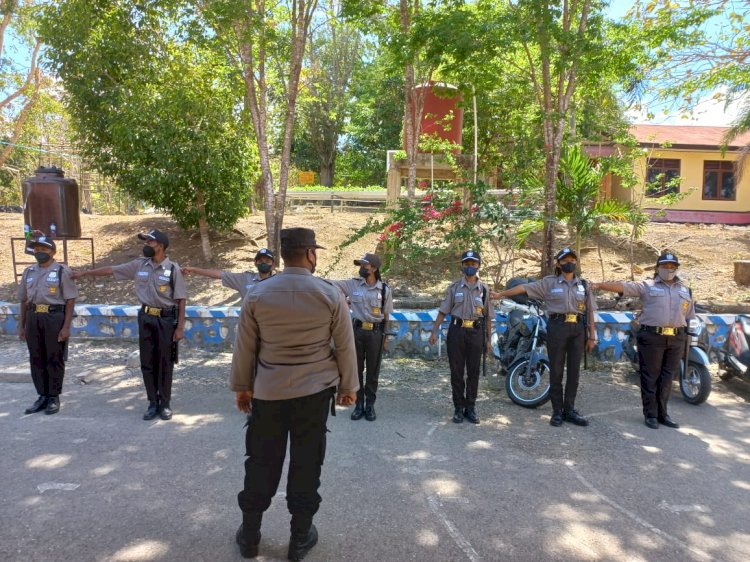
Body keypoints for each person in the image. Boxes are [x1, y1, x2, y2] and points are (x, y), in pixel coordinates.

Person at [230, 227, 358, 561]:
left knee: (261, 461)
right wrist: (348, 388)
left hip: (268, 393)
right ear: (311, 254)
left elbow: (244, 346)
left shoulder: (257, 293)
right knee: (306, 463)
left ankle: (250, 536)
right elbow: (345, 346)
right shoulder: (329, 293)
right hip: (314, 395)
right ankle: (299, 539)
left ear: (283, 254)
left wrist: (243, 389)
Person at [72, 229, 186, 421]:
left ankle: (165, 404)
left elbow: (181, 300)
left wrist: (180, 327)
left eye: (150, 242)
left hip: (166, 320)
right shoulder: (139, 265)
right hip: (146, 318)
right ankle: (152, 403)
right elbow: (111, 270)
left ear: (161, 246)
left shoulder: (173, 269)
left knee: (165, 363)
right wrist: (85, 273)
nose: (146, 246)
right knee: (147, 363)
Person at [490, 248, 596, 427]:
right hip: (557, 327)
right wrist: (501, 294)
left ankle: (569, 410)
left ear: (576, 263)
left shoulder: (584, 285)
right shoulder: (549, 283)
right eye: (564, 260)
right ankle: (557, 412)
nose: (568, 263)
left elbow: (591, 311)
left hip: (578, 329)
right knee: (555, 371)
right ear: (558, 264)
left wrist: (592, 336)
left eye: (571, 259)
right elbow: (524, 287)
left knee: (574, 373)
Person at [591, 251, 694, 429]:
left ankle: (663, 414)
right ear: (657, 268)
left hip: (677, 338)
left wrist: (689, 337)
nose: (669, 269)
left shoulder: (685, 290)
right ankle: (651, 414)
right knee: (650, 376)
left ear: (676, 269)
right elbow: (623, 286)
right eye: (665, 266)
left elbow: (690, 315)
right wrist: (599, 285)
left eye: (672, 267)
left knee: (667, 378)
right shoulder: (647, 285)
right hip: (652, 336)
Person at [429, 250, 492, 425]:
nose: (470, 267)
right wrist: (434, 331)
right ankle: (458, 408)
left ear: (479, 266)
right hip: (456, 332)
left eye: (473, 264)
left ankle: (470, 408)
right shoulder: (454, 288)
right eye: (467, 264)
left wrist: (489, 340)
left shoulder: (485, 290)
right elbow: (443, 311)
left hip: (476, 333)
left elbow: (488, 317)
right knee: (456, 372)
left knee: (473, 372)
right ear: (462, 266)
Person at [18, 235, 78, 415]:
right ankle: (42, 396)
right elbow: (23, 300)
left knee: (54, 357)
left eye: (43, 249)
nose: (39, 252)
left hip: (54, 317)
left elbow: (70, 300)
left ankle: (53, 397)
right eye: (36, 249)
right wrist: (21, 326)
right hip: (33, 317)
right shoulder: (28, 272)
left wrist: (66, 327)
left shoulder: (62, 271)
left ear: (52, 251)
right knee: (36, 357)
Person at [329, 253, 393, 421]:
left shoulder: (385, 289)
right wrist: (342, 300)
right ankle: (358, 404)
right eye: (360, 265)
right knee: (355, 370)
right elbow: (331, 285)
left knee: (373, 371)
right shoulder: (353, 285)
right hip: (356, 332)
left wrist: (385, 337)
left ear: (374, 268)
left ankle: (370, 405)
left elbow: (387, 316)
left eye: (364, 266)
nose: (361, 269)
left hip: (376, 334)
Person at [183, 248, 275, 299]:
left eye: (267, 261)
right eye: (260, 261)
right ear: (255, 263)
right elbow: (219, 274)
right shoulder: (245, 278)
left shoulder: (279, 281)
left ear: (273, 264)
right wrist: (194, 270)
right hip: (250, 327)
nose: (264, 263)